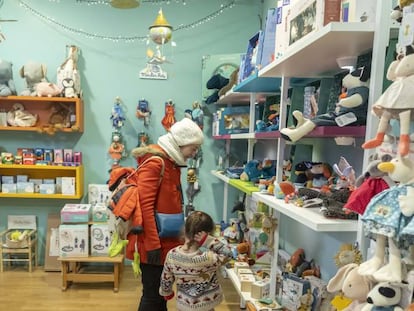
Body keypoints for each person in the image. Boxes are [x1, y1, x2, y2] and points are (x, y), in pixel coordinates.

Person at [130, 117, 204, 311]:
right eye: (193, 148)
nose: (194, 153)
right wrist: (153, 244)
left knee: (160, 296)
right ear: (181, 142)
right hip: (154, 244)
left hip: (166, 243)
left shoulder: (171, 163)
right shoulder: (156, 163)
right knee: (153, 296)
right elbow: (145, 207)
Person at [159, 211, 234, 311]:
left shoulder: (172, 255)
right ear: (207, 234)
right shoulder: (209, 258)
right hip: (207, 305)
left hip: (184, 305)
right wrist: (209, 241)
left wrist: (166, 292)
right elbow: (228, 253)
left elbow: (166, 278)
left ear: (185, 230)